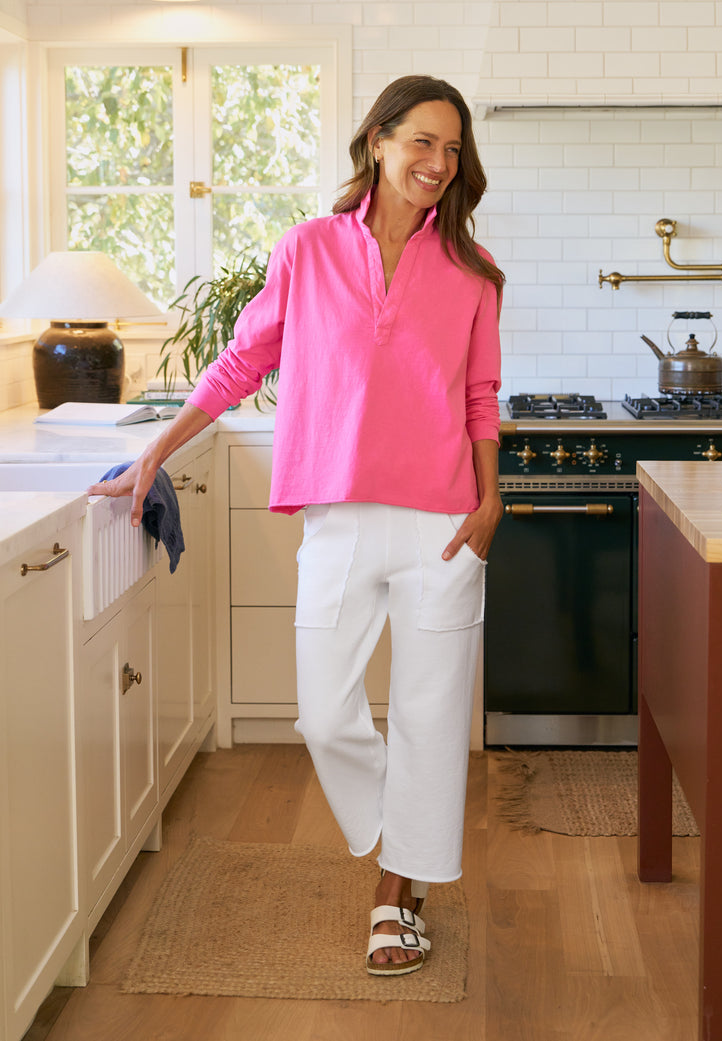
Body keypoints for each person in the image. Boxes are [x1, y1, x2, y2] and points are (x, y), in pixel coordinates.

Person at [89, 74, 504, 977]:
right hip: (341, 513)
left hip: (442, 521)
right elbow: (244, 360)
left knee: (433, 717)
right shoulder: (308, 250)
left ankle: (397, 895)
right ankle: (405, 832)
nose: (439, 162)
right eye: (422, 142)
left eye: (453, 149)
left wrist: (490, 498)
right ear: (378, 143)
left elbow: (480, 395)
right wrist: (158, 449)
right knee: (323, 711)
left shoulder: (473, 275)